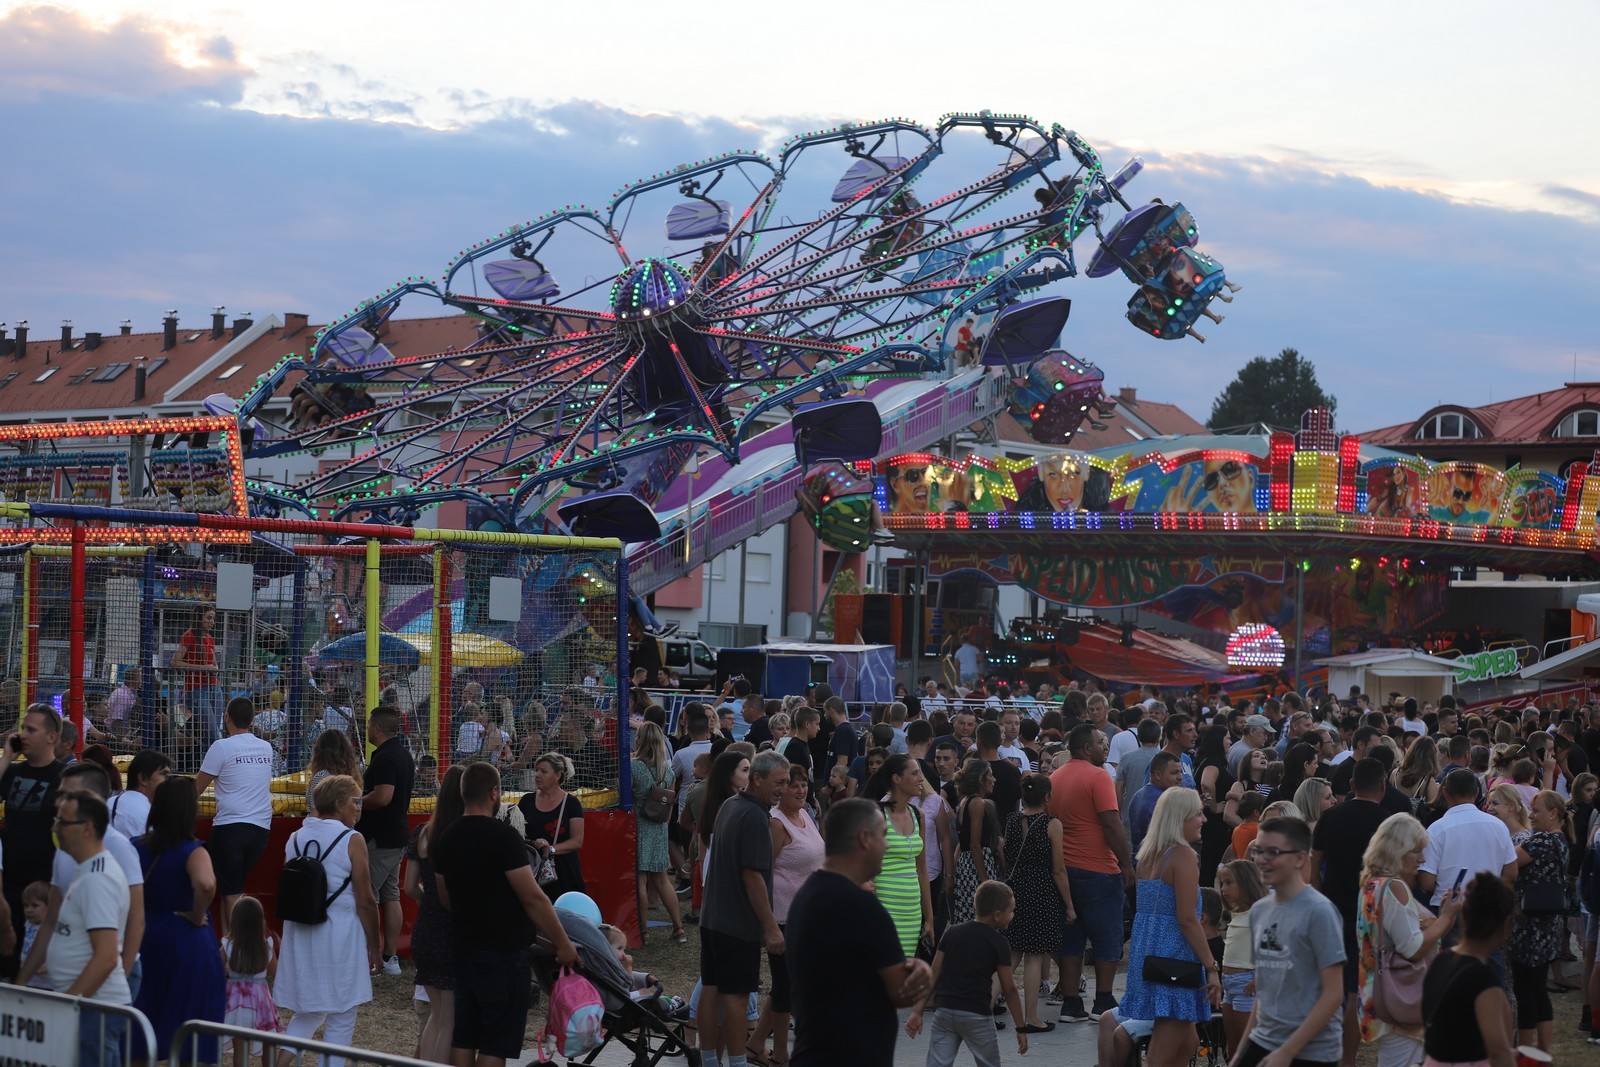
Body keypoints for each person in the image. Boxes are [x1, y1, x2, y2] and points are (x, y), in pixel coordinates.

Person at [786, 799, 933, 1067]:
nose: (886, 845)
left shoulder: (807, 895)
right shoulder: (862, 907)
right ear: (865, 839)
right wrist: (923, 972)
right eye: (883, 835)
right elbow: (901, 992)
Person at [276, 774, 379, 1055]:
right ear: (338, 803)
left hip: (302, 931)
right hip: (339, 935)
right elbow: (366, 901)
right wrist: (375, 945)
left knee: (309, 1012)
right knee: (342, 1015)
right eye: (355, 801)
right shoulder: (352, 839)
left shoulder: (295, 837)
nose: (359, 807)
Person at [698, 750, 789, 1067]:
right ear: (758, 779)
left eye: (786, 782)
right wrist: (770, 927)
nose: (783, 789)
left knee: (711, 990)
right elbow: (752, 876)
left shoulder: (730, 805)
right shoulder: (754, 816)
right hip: (736, 924)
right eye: (778, 782)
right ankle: (737, 1061)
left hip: (713, 919)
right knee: (735, 996)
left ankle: (709, 1060)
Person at [1234, 816, 1346, 1067]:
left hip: (1311, 1051)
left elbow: (1333, 993)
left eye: (1273, 852)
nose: (1262, 860)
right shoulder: (1259, 911)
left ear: (1300, 858)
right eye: (1258, 851)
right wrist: (1240, 1056)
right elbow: (1264, 990)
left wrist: (1287, 1051)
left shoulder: (1319, 912)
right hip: (1264, 1040)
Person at [1120, 788, 1220, 1067]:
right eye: (1198, 814)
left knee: (1187, 1042)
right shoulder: (1183, 855)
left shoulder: (1148, 855)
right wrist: (1211, 966)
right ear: (1180, 817)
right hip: (1176, 959)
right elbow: (1187, 918)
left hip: (1151, 956)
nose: (1204, 819)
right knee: (1161, 1056)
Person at [1356, 814, 1462, 1067]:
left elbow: (1401, 935)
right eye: (1416, 851)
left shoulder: (1373, 884)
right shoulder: (1395, 887)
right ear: (1396, 850)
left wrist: (1439, 919)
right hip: (1401, 999)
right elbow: (1412, 948)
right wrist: (1447, 918)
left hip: (1382, 994)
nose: (1422, 859)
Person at [1309, 756, 1392, 1065]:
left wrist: (1320, 899)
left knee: (1331, 984)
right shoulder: (1387, 822)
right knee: (1357, 989)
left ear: (1352, 785)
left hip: (1333, 908)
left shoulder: (1330, 817)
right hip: (1371, 913)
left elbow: (1314, 868)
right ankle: (1346, 1059)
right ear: (1383, 786)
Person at [1048, 723, 1133, 1024]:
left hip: (1064, 870)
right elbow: (1111, 823)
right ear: (1087, 748)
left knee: (1071, 939)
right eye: (1100, 742)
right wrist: (1126, 864)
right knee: (1107, 937)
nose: (1105, 747)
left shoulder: (1055, 777)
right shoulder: (1098, 776)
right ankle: (1104, 1000)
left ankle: (1071, 1003)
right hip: (1098, 870)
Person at [44, 789, 133, 1067]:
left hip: (94, 1009)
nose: (55, 829)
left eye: (62, 822)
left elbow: (106, 956)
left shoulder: (98, 878)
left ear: (86, 829)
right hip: (90, 1007)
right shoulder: (88, 870)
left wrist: (67, 1005)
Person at [749, 762, 824, 1067]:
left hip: (806, 916)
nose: (800, 790)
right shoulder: (776, 823)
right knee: (785, 987)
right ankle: (780, 1053)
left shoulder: (805, 815)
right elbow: (762, 871)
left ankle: (755, 1044)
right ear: (781, 789)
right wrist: (766, 922)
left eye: (803, 784)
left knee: (789, 983)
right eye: (793, 785)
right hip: (782, 917)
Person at [906, 879, 1028, 1065]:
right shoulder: (999, 943)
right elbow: (1009, 989)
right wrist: (1020, 1028)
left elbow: (932, 974)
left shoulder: (952, 933)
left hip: (945, 1011)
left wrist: (917, 1011)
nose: (1013, 915)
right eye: (1011, 911)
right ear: (997, 915)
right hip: (977, 1014)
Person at [194, 697, 275, 938]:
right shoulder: (266, 747)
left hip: (230, 827)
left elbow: (196, 788)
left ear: (227, 717)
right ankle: (227, 947)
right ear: (251, 720)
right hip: (261, 828)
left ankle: (241, 950)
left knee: (231, 894)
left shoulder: (222, 747)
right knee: (231, 889)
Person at [1003, 772, 1075, 1034]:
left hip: (1015, 890)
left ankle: (982, 1008)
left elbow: (1006, 854)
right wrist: (1069, 904)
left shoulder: (1012, 820)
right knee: (1034, 957)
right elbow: (1059, 869)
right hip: (1042, 891)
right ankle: (1031, 1017)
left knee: (1011, 955)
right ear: (1047, 797)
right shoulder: (1051, 823)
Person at [1421, 873, 1517, 1067]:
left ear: (1464, 916)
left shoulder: (1441, 960)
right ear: (1506, 924)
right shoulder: (1483, 978)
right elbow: (1498, 1052)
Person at [0, 703, 67, 975]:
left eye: (31, 730)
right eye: (22, 729)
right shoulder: (14, 772)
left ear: (51, 737)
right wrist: (7, 757)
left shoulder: (63, 777)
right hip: (9, 885)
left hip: (43, 888)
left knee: (35, 967)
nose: (22, 735)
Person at [405, 763, 464, 1065]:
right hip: (452, 930)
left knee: (436, 1016)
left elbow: (408, 886)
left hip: (426, 928)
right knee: (449, 1020)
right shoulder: (461, 835)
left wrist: (428, 901)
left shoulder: (423, 833)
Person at [1506, 789, 1571, 1051]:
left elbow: (1507, 864)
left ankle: (1526, 1053)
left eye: (1536, 811)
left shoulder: (1541, 841)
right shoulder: (1561, 840)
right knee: (1538, 989)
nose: (1531, 815)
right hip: (1549, 925)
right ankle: (1542, 1051)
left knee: (1524, 990)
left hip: (1529, 926)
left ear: (1553, 814)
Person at [357, 705, 415, 975]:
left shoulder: (386, 757)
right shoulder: (402, 754)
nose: (368, 729)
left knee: (366, 896)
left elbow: (382, 797)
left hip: (380, 839)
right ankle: (390, 958)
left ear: (377, 728)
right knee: (390, 895)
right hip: (395, 834)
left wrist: (355, 801)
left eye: (370, 724)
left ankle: (368, 958)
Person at [864, 754, 934, 959]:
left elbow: (922, 869)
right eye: (915, 773)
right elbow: (864, 867)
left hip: (912, 911)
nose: (921, 779)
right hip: (883, 906)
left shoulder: (918, 815)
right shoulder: (877, 814)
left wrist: (929, 918)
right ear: (896, 778)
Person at [631, 722, 685, 943]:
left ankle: (643, 931)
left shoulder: (634, 767)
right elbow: (669, 803)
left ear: (640, 740)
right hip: (660, 828)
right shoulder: (667, 771)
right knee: (663, 880)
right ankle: (679, 928)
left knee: (640, 880)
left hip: (638, 827)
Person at [221, 894, 282, 1067]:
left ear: (235, 921)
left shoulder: (228, 946)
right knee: (269, 1045)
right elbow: (276, 974)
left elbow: (215, 969)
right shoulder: (266, 946)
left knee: (240, 1051)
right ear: (260, 921)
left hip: (236, 1006)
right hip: (262, 1005)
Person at [516, 753, 586, 901]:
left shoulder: (571, 803)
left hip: (563, 872)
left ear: (557, 776)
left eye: (544, 771)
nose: (537, 775)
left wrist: (550, 849)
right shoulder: (527, 800)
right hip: (533, 869)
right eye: (536, 770)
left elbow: (577, 841)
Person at [1216, 859, 1266, 1057]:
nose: (1223, 889)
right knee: (1233, 1046)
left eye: (1229, 883)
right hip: (1229, 984)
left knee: (1247, 1046)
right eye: (1222, 883)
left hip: (1247, 984)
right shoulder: (1236, 913)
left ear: (1246, 883)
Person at [951, 758, 1001, 925]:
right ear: (981, 779)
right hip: (976, 865)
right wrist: (985, 880)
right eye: (991, 775)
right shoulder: (977, 803)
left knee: (968, 916)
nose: (994, 779)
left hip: (966, 864)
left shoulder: (964, 801)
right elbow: (974, 843)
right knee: (983, 917)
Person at [174, 607, 224, 742]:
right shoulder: (189, 636)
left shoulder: (209, 639)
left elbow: (214, 664)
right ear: (198, 618)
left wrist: (214, 669)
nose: (212, 621)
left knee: (215, 731)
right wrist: (203, 668)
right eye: (208, 618)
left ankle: (209, 753)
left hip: (214, 687)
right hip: (197, 689)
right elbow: (176, 662)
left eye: (213, 618)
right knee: (212, 733)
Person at [1128, 750, 1183, 856]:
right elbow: (1170, 841)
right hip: (1155, 861)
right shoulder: (1162, 801)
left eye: (1181, 772)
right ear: (1158, 774)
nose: (1180, 777)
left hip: (1141, 860)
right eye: (1174, 773)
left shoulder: (1139, 794)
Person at [110, 748, 172, 840]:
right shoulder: (147, 814)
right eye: (164, 775)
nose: (169, 781)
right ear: (143, 778)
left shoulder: (108, 802)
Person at [304, 727, 363, 809]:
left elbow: (316, 810)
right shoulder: (353, 776)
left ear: (319, 752)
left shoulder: (322, 777)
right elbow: (358, 809)